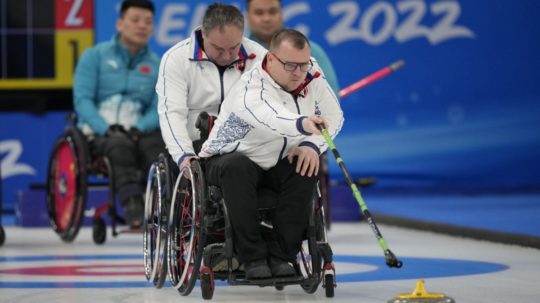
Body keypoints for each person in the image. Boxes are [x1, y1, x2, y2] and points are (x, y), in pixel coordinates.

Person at [199, 29, 344, 280]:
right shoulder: (250, 87)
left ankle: (282, 256)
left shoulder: (312, 75)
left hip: (278, 160)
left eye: (303, 64)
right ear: (271, 59)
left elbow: (334, 117)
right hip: (227, 158)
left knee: (307, 165)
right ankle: (252, 257)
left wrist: (311, 145)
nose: (299, 73)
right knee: (238, 166)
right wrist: (303, 124)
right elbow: (270, 116)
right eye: (290, 65)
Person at [73, 0, 163, 228]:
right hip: (100, 130)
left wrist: (140, 127)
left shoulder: (158, 64)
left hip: (139, 130)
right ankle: (133, 204)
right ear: (120, 23)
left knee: (156, 148)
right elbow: (82, 100)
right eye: (135, 20)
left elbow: (158, 107)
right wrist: (105, 127)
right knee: (118, 144)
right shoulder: (94, 56)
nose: (142, 26)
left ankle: (164, 204)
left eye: (148, 22)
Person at [156, 3, 267, 173]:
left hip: (245, 143)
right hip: (196, 143)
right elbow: (172, 113)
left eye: (233, 48)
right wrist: (184, 155)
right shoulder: (175, 59)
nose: (227, 56)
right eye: (218, 48)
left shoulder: (260, 57)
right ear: (203, 34)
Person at [246, 0, 340, 96]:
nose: (266, 18)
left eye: (272, 11)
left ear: (282, 13)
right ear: (247, 16)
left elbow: (330, 96)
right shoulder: (237, 51)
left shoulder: (312, 51)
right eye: (259, 13)